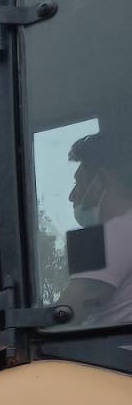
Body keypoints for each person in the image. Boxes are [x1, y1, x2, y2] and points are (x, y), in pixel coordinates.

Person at [59, 132, 132, 326]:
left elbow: (64, 317)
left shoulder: (110, 234)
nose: (72, 196)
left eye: (78, 182)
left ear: (105, 179)